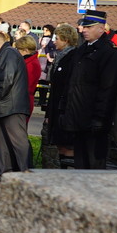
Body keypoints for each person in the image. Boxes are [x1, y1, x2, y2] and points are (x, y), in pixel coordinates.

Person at [59, 9, 117, 169]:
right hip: (78, 118)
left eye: (89, 27)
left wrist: (100, 119)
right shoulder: (81, 51)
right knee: (80, 165)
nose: (84, 30)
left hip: (95, 121)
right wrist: (65, 110)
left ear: (101, 29)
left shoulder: (110, 54)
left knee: (94, 167)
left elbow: (108, 89)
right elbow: (71, 84)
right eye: (84, 26)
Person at [0, 31, 31, 184]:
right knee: (1, 143)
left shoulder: (8, 54)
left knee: (18, 142)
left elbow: (6, 81)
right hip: (3, 105)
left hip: (10, 106)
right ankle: (3, 173)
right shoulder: (5, 54)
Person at [44, 23, 80, 168]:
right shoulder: (59, 57)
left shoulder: (72, 58)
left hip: (64, 109)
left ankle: (68, 176)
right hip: (55, 107)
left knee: (67, 146)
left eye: (57, 38)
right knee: (59, 144)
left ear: (66, 40)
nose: (54, 41)